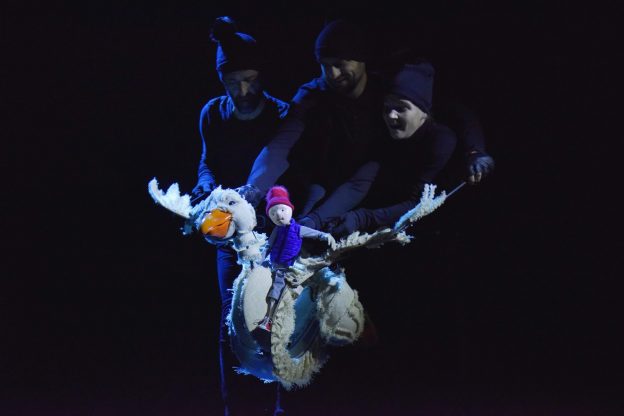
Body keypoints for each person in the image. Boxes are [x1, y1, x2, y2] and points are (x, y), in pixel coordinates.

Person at [244, 19, 494, 226]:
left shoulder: (390, 90)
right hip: (324, 185)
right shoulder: (313, 95)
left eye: (340, 64)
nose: (332, 74)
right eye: (325, 66)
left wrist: (475, 151)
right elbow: (279, 144)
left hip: (369, 187)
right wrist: (253, 189)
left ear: (361, 60)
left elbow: (458, 111)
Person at [190, 16, 288, 416]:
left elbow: (291, 170)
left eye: (249, 80)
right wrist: (205, 188)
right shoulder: (212, 114)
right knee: (231, 319)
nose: (243, 91)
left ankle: (281, 405)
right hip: (230, 233)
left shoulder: (282, 114)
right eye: (233, 82)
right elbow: (207, 161)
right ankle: (236, 408)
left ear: (262, 75)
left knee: (276, 318)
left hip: (273, 233)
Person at [257, 186, 335, 332]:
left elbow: (314, 233)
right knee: (272, 289)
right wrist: (259, 260)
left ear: (290, 209)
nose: (278, 215)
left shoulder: (298, 229)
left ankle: (270, 320)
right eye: (273, 213)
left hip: (288, 267)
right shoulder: (277, 230)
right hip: (275, 264)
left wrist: (325, 235)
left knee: (277, 292)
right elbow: (268, 246)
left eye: (282, 210)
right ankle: (269, 318)